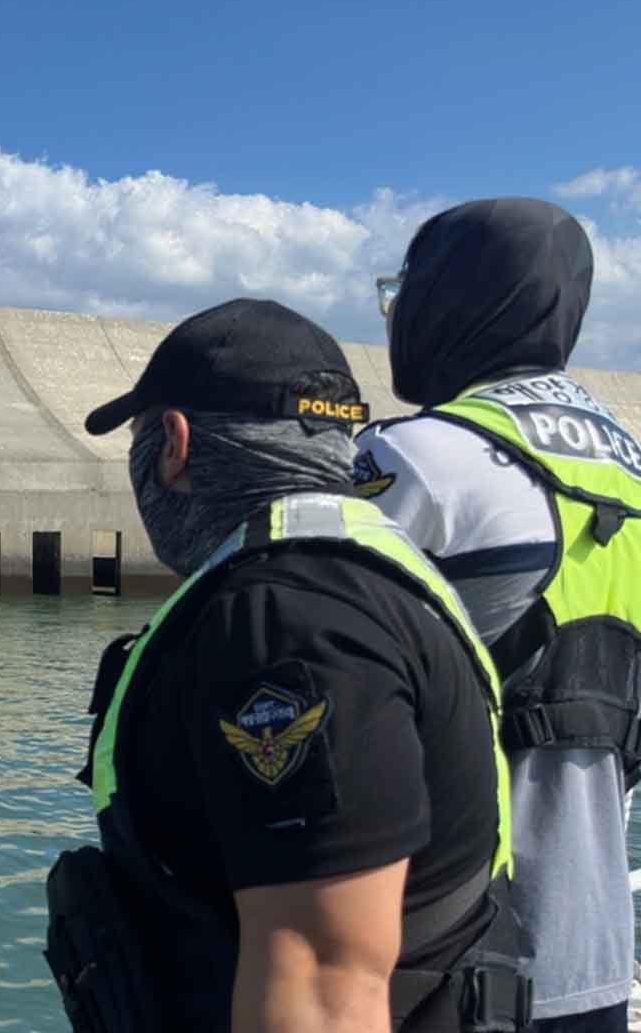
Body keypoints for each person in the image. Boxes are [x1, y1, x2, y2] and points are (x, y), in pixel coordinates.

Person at [44, 299, 528, 1031]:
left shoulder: (287, 623)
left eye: (140, 438)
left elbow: (325, 992)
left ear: (174, 445)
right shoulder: (356, 575)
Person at [356, 197, 639, 1031]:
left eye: (401, 291)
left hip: (439, 955)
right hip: (591, 958)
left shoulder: (413, 458)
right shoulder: (627, 471)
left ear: (453, 296)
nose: (395, 315)